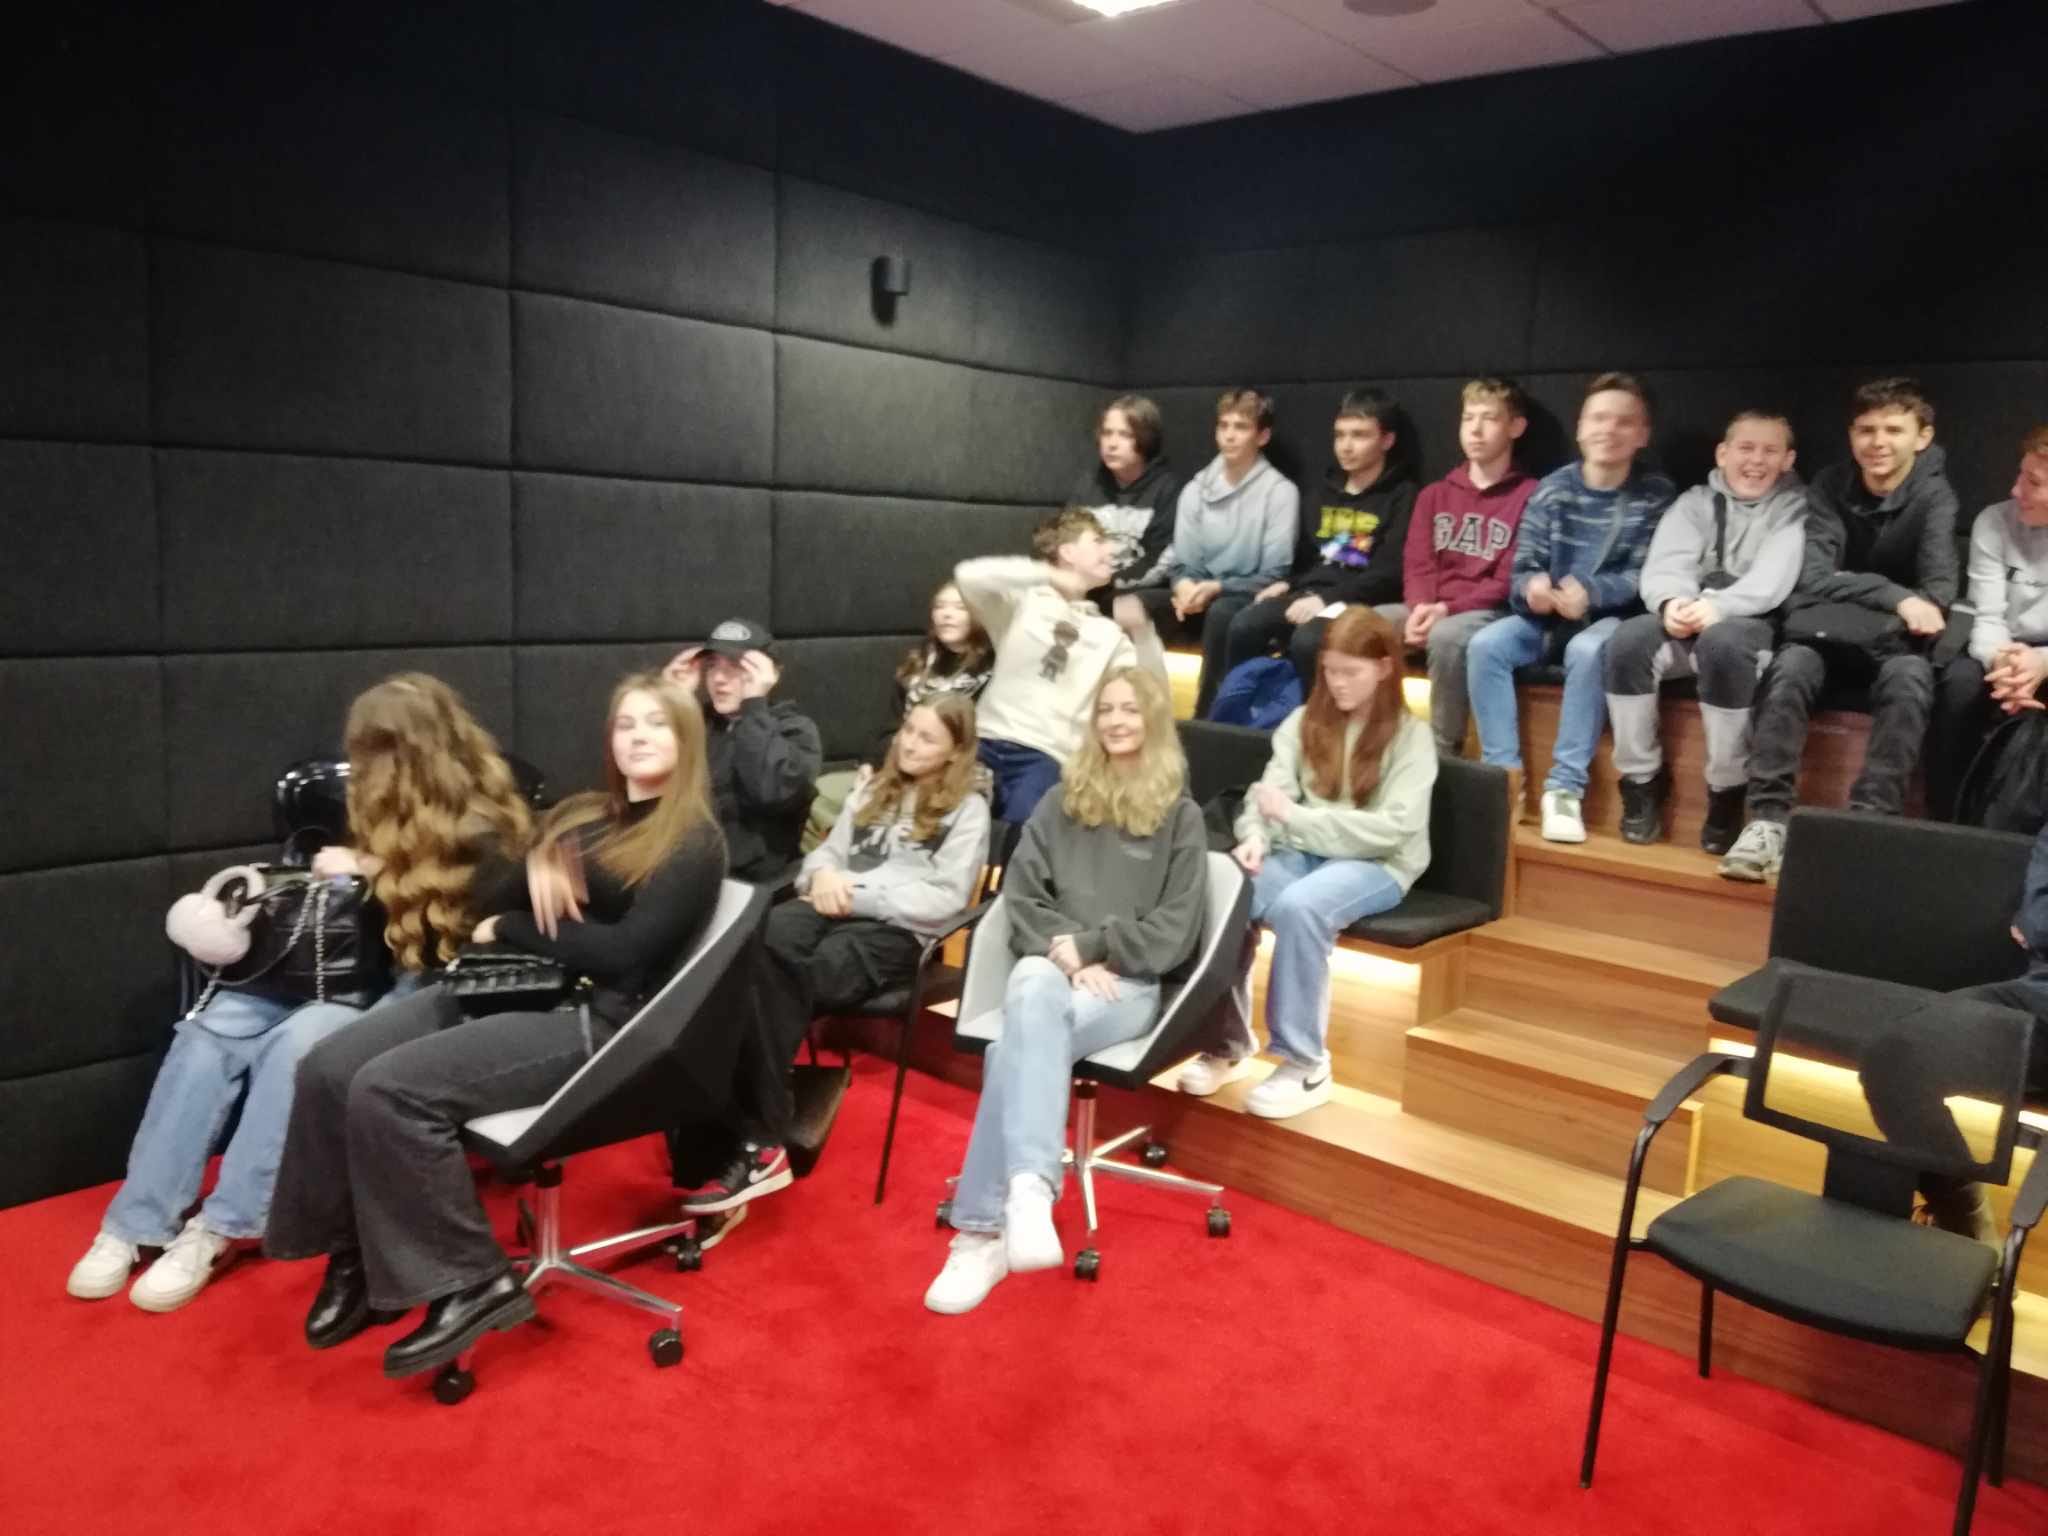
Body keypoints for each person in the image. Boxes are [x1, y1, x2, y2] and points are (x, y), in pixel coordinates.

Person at [265, 673, 727, 1379]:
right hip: (517, 985)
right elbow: (497, 879)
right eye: (626, 724)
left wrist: (511, 926)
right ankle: (356, 1252)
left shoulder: (692, 839)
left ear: (687, 739)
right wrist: (541, 858)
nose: (638, 737)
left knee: (391, 1091)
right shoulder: (587, 815)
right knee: (328, 1067)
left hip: (594, 1020)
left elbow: (624, 955)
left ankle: (472, 1280)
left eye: (657, 724)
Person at [65, 675, 531, 1313]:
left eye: (375, 751)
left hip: (419, 988)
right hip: (337, 973)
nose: (362, 769)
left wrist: (373, 870)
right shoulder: (375, 806)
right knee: (207, 1034)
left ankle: (222, 1227)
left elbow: (451, 940)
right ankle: (136, 1219)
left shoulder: (486, 827)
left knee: (296, 1046)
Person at [923, 668, 1207, 1315]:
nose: (1116, 721)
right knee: (1030, 986)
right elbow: (1020, 896)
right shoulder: (1060, 801)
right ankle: (1027, 1191)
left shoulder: (1180, 817)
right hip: (1052, 972)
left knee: (1015, 1045)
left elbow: (1176, 929)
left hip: (1126, 985)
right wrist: (1067, 953)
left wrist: (1097, 946)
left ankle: (980, 1232)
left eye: (1130, 709)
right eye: (1105, 709)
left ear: (1153, 719)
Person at [683, 695, 990, 1216]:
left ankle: (745, 1135)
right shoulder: (872, 788)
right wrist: (822, 875)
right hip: (829, 903)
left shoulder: (968, 810)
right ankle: (760, 1131)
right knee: (756, 948)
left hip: (897, 930)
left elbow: (946, 898)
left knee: (784, 975)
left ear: (955, 751)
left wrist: (854, 894)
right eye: (908, 731)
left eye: (927, 738)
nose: (911, 744)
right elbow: (825, 854)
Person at [1180, 609, 1436, 1119]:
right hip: (1301, 849)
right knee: (1230, 890)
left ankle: (1306, 1062)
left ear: (1384, 669)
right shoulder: (1302, 722)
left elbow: (1392, 830)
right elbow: (1266, 796)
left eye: (1351, 672)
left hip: (1379, 862)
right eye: (1330, 671)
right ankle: (1226, 1041)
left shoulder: (1412, 738)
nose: (1338, 683)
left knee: (1301, 908)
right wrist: (1255, 837)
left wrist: (1296, 819)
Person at [1721, 378, 1958, 881]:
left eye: (1893, 430)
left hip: (1893, 645)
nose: (1878, 442)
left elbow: (1937, 593)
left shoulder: (1936, 496)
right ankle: (1766, 822)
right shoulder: (1830, 485)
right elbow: (1814, 578)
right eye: (1866, 430)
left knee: (1911, 680)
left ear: (1922, 437)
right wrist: (1898, 597)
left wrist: (1865, 591)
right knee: (1789, 667)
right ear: (1851, 435)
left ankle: (1866, 827)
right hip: (1827, 635)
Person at [1466, 373, 1675, 843]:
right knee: (1485, 645)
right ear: (1580, 428)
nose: (1609, 430)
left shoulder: (1657, 495)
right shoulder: (1552, 489)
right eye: (1598, 418)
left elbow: (1650, 575)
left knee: (1588, 649)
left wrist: (1592, 592)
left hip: (1613, 622)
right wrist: (1533, 588)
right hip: (1545, 620)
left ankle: (1565, 788)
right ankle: (1503, 780)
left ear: (1642, 435)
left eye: (1624, 422)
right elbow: (1522, 568)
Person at [1603, 412, 1807, 852]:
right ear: (1723, 454)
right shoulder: (1694, 503)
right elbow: (1666, 562)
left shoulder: (1796, 509)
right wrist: (1671, 603)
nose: (1756, 461)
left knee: (1723, 645)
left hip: (1750, 623)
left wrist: (1719, 608)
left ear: (1788, 460)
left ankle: (1726, 790)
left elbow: (1774, 578)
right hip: (1688, 612)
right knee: (1627, 642)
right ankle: (1640, 781)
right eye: (1746, 448)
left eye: (1770, 451)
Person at [957, 508, 1166, 824]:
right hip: (984, 740)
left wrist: (1143, 634)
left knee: (1024, 832)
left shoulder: (1108, 633)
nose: (1110, 549)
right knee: (943, 817)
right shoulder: (1022, 603)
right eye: (1098, 541)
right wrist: (1047, 574)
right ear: (1067, 552)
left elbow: (1152, 693)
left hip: (1047, 757)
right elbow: (968, 576)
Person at [1222, 387, 1416, 699]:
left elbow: (1389, 573)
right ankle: (1236, 716)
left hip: (1359, 603)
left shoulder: (1402, 496)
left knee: (1310, 640)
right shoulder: (1322, 492)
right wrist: (1287, 583)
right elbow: (1307, 558)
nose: (1346, 446)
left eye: (1359, 435)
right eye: (1340, 435)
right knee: (1246, 624)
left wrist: (1327, 600)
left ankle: (1313, 722)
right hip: (1310, 593)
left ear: (1387, 441)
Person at [1390, 378, 1537, 755]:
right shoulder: (1434, 494)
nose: (1475, 429)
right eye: (1468, 418)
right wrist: (1421, 606)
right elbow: (1418, 563)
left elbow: (1509, 578)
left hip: (1487, 610)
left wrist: (1446, 610)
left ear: (1516, 427)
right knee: (1363, 625)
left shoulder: (1531, 496)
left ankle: (1443, 752)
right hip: (1430, 606)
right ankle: (1377, 740)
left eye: (1489, 418)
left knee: (1446, 636)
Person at [803, 582, 991, 852]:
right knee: (823, 792)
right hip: (898, 765)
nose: (946, 614)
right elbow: (889, 727)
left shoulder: (992, 672)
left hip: (949, 776)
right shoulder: (919, 663)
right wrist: (871, 763)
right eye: (940, 606)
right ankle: (831, 864)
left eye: (959, 608)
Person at [1147, 388, 1299, 719]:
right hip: (1198, 591)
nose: (1229, 436)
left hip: (1246, 594)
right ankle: (1139, 712)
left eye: (1241, 427)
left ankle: (1209, 719)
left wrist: (1217, 588)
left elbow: (1275, 573)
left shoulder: (1281, 492)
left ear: (1262, 436)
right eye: (1223, 426)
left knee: (1223, 613)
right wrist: (1183, 586)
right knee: (1137, 604)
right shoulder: (1195, 489)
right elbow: (1184, 561)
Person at [1927, 425, 2048, 820]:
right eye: (2020, 474)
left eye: (2033, 482)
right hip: (2000, 648)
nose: (2016, 490)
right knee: (1959, 685)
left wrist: (2042, 663)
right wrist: (2003, 663)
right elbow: (1987, 615)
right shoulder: (1994, 521)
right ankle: (1943, 820)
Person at [667, 617, 821, 884]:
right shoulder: (699, 722)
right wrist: (671, 702)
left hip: (755, 884)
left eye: (736, 666)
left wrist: (754, 706)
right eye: (712, 666)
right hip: (689, 871)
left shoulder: (795, 730)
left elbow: (768, 792)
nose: (719, 678)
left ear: (769, 674)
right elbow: (651, 786)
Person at [1073, 394, 1181, 611]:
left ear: (1146, 440)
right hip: (1088, 583)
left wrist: (1105, 582)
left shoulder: (1166, 488)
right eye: (1107, 433)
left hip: (1134, 588)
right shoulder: (1090, 483)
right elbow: (1065, 538)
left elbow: (1161, 558)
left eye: (1125, 435)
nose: (1111, 444)